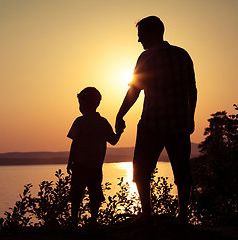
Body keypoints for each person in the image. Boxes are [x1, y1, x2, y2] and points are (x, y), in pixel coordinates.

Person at [115, 16, 197, 225]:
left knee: (141, 169)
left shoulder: (146, 58)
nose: (138, 39)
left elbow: (134, 89)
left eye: (140, 34)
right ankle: (183, 217)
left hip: (152, 123)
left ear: (151, 33)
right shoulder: (182, 54)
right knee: (182, 171)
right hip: (179, 123)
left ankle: (147, 214)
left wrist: (120, 114)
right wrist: (191, 116)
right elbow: (192, 89)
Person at [67, 87, 124, 227]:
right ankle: (93, 220)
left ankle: (74, 221)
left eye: (80, 103)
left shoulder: (79, 121)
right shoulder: (103, 122)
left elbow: (75, 143)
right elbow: (114, 140)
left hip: (80, 164)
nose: (79, 106)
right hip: (96, 166)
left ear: (84, 103)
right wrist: (120, 131)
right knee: (95, 193)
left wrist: (70, 161)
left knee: (76, 194)